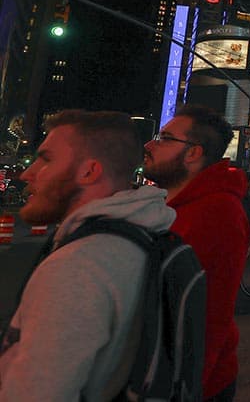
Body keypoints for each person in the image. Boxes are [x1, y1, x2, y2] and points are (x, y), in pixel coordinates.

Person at [0, 111, 175, 400]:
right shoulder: (139, 236)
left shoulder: (79, 267)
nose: (26, 174)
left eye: (46, 159)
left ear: (89, 172)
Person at [142, 104, 250, 402]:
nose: (150, 145)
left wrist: (185, 387)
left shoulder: (217, 213)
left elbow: (208, 315)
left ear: (193, 153)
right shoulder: (174, 207)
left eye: (164, 138)